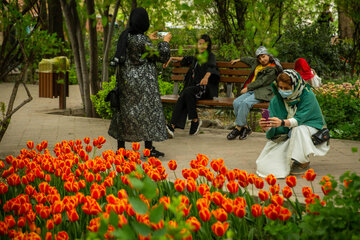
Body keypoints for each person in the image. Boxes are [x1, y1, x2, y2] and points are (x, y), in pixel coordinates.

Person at [108, 7, 171, 158]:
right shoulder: (142, 40)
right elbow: (161, 56)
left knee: (125, 114)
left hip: (127, 83)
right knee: (147, 113)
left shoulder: (126, 36)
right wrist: (165, 42)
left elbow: (135, 48)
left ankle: (121, 149)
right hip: (144, 85)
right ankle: (148, 149)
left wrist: (147, 38)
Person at [256, 69, 330, 178]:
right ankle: (292, 158)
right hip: (287, 133)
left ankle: (302, 161)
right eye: (280, 87)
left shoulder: (308, 95)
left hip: (312, 131)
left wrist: (281, 122)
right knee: (266, 165)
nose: (282, 91)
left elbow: (299, 119)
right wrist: (267, 126)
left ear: (295, 86)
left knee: (298, 129)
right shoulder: (277, 100)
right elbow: (273, 125)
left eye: (286, 88)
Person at [163, 34, 220, 137]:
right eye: (200, 44)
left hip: (205, 89)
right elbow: (185, 59)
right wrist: (171, 58)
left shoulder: (211, 56)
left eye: (204, 44)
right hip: (194, 89)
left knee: (186, 93)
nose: (202, 46)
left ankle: (175, 125)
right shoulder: (197, 57)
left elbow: (212, 68)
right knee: (186, 94)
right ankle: (191, 121)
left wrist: (206, 77)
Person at [227, 46, 282, 140]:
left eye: (264, 56)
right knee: (236, 102)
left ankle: (238, 127)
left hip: (263, 91)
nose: (262, 59)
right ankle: (246, 128)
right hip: (252, 90)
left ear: (269, 55)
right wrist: (239, 59)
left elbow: (262, 81)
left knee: (245, 103)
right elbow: (249, 59)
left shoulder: (272, 68)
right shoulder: (257, 63)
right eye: (259, 58)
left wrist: (248, 87)